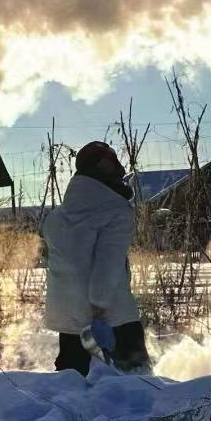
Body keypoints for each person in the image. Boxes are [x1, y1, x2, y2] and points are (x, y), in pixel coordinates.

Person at [40, 141, 152, 376]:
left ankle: (67, 403)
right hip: (111, 312)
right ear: (103, 167)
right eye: (113, 162)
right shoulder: (116, 210)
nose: (120, 169)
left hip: (69, 313)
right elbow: (108, 262)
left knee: (71, 377)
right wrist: (99, 304)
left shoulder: (56, 217)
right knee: (136, 378)